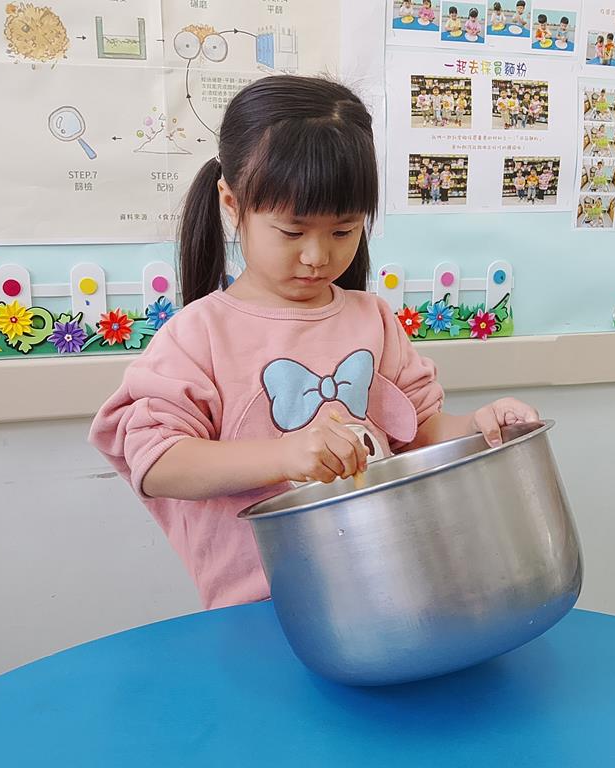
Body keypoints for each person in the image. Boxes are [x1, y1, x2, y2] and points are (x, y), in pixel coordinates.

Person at [89, 76, 539, 609]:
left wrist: (479, 429)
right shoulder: (198, 334)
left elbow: (418, 434)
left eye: (343, 231)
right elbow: (158, 464)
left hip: (387, 588)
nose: (317, 256)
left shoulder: (373, 319)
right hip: (260, 607)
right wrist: (284, 455)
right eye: (292, 231)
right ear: (232, 203)